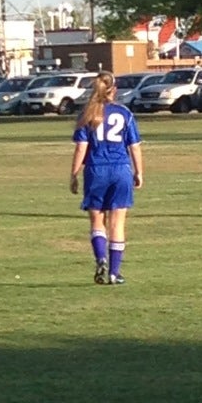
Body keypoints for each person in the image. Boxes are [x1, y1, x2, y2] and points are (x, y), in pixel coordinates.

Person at [70, 71, 143, 285]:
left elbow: (81, 148)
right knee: (117, 223)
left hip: (96, 170)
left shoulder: (88, 113)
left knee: (97, 220)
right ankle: (114, 272)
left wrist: (73, 174)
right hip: (121, 169)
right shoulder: (124, 113)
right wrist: (139, 172)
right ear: (114, 90)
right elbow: (135, 147)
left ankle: (101, 258)